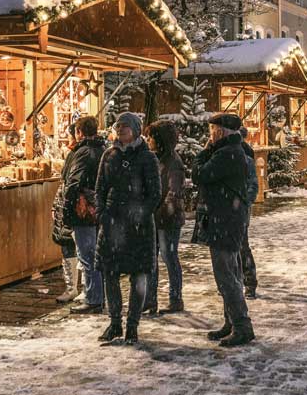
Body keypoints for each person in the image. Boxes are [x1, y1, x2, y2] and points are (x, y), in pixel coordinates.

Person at [94, 112, 161, 345]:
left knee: (138, 277)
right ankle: (114, 322)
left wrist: (140, 213)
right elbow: (100, 188)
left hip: (138, 227)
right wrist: (102, 213)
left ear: (135, 130)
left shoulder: (147, 158)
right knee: (109, 274)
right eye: (118, 126)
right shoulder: (109, 155)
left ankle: (132, 325)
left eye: (125, 126)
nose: (121, 130)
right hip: (112, 224)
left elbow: (155, 194)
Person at [193, 112, 255, 347]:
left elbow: (200, 174)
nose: (210, 134)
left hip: (224, 221)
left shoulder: (227, 153)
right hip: (227, 219)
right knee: (231, 273)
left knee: (226, 276)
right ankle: (231, 321)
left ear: (222, 132)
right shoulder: (231, 151)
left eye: (213, 130)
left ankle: (241, 325)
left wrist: (203, 153)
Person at [58, 116, 107, 315]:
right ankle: (96, 295)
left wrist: (66, 210)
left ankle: (93, 298)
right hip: (96, 208)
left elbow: (73, 182)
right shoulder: (101, 150)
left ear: (79, 132)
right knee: (93, 253)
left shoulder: (83, 152)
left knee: (86, 254)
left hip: (83, 210)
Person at [143, 120, 186, 315]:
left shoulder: (173, 162)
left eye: (151, 137)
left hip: (168, 219)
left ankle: (175, 299)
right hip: (155, 216)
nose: (148, 140)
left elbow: (174, 193)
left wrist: (159, 211)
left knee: (169, 257)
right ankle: (150, 299)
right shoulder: (155, 159)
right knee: (152, 258)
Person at [51, 124, 81, 303]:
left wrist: (59, 205)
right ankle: (77, 288)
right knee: (77, 246)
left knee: (70, 245)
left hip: (72, 207)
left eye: (70, 134)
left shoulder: (75, 155)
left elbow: (66, 185)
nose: (68, 138)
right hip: (72, 206)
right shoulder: (78, 154)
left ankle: (73, 288)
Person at [239, 126, 259, 299]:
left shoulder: (245, 153)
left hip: (239, 208)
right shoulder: (217, 152)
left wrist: (245, 202)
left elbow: (253, 184)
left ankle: (249, 281)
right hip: (228, 207)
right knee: (236, 247)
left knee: (241, 245)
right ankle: (240, 281)